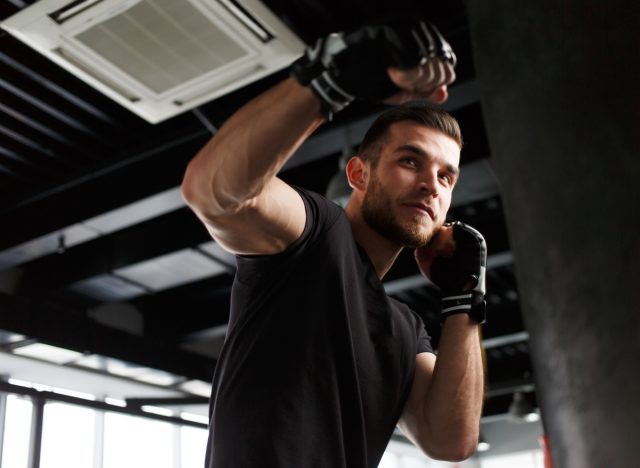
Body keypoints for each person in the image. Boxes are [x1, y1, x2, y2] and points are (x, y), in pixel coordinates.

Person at [182, 17, 486, 468]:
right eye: (410, 161)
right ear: (359, 174)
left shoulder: (405, 329)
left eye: (446, 176)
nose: (431, 185)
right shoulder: (316, 234)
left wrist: (465, 299)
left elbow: (450, 441)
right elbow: (212, 192)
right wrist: (328, 83)